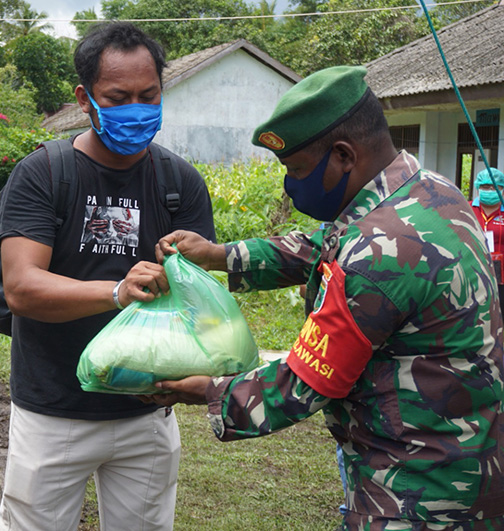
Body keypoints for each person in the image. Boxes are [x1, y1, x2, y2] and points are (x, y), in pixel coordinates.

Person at [150, 66, 504, 528]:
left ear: (342, 156)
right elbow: (326, 246)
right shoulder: (431, 194)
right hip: (472, 460)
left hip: (414, 494)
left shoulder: (377, 256)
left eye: (297, 169)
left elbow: (303, 383)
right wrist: (221, 255)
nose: (289, 185)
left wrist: (207, 390)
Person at [0, 22, 215, 531]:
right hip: (54, 410)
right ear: (84, 98)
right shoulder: (43, 173)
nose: (135, 108)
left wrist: (182, 272)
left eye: (149, 95)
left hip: (146, 412)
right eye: (117, 97)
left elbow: (197, 298)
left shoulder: (179, 181)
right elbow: (22, 287)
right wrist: (118, 291)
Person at [472, 167, 504, 317]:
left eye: (495, 187)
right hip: (472, 272)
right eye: (485, 186)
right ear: (478, 188)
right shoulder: (466, 208)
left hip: (501, 276)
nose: (490, 190)